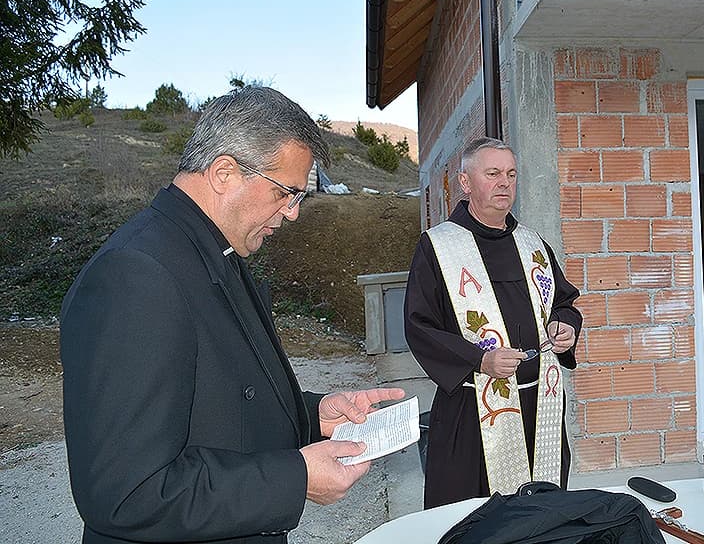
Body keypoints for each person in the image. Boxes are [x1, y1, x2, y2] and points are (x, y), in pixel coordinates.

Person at [59, 86, 404, 544]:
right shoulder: (135, 273)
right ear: (225, 172)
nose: (294, 214)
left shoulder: (216, 252)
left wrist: (314, 414)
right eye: (287, 193)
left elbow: (225, 403)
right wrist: (294, 478)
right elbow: (125, 492)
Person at [404, 136, 582, 509]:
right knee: (472, 517)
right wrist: (479, 360)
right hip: (471, 411)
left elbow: (564, 302)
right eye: (493, 173)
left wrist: (565, 326)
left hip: (539, 405)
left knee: (540, 513)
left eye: (512, 174)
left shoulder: (533, 244)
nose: (505, 182)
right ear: (466, 183)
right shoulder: (439, 247)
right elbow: (419, 325)